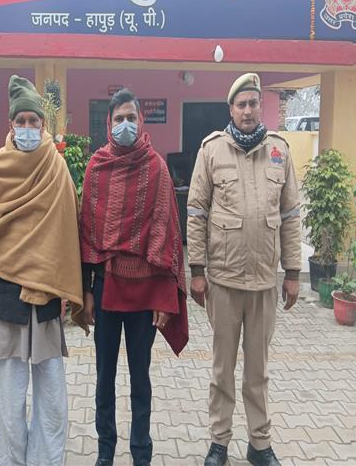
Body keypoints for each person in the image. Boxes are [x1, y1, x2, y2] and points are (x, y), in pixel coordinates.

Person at [0, 75, 85, 466]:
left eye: (34, 121)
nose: (28, 128)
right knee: (8, 402)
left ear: (43, 124)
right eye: (21, 121)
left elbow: (67, 231)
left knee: (52, 403)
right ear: (11, 124)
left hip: (46, 299)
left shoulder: (57, 169)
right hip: (5, 302)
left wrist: (66, 285)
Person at [187, 73, 301, 466]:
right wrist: (197, 270)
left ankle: (259, 443)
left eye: (254, 103)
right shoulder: (212, 150)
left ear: (260, 106)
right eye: (242, 104)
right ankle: (219, 441)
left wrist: (293, 273)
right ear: (231, 110)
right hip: (223, 280)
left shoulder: (279, 151)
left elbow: (290, 216)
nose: (248, 110)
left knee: (258, 371)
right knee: (222, 370)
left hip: (264, 282)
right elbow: (196, 213)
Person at [80, 88, 189, 466]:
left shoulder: (156, 168)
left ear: (141, 121)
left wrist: (165, 297)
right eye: (118, 119)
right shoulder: (96, 167)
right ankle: (105, 451)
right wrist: (87, 291)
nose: (125, 124)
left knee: (140, 378)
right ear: (108, 124)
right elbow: (87, 234)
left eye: (131, 118)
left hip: (145, 295)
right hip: (105, 288)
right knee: (104, 377)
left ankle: (141, 452)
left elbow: (167, 234)